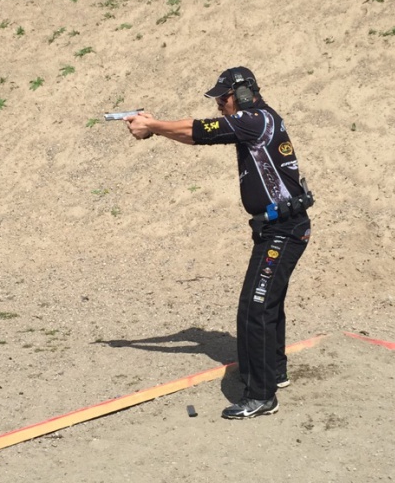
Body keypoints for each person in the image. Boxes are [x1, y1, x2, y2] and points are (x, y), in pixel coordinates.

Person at [125, 66, 313, 420]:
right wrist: (156, 128)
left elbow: (198, 130)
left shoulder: (255, 120)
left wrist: (153, 125)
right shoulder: (256, 122)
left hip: (283, 229)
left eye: (223, 98)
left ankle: (261, 396)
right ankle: (274, 372)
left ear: (242, 94)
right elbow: (198, 136)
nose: (219, 105)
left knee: (255, 308)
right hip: (279, 226)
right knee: (268, 304)